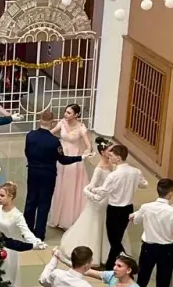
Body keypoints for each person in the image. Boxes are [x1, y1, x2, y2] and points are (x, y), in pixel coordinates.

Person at [59, 138, 127, 262]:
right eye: (110, 150)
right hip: (99, 202)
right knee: (96, 227)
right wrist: (95, 194)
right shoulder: (99, 168)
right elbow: (91, 186)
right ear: (103, 152)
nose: (112, 153)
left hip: (110, 200)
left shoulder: (112, 166)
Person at [23, 109, 86, 239]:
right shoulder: (54, 142)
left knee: (31, 200)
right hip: (48, 175)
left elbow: (27, 152)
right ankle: (39, 233)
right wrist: (80, 158)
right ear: (52, 123)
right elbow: (63, 160)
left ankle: (26, 230)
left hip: (33, 171)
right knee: (44, 203)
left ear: (40, 120)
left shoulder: (30, 135)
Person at [84, 143, 148, 269]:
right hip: (128, 209)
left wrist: (90, 190)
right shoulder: (136, 172)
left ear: (118, 158)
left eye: (112, 155)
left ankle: (125, 263)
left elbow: (103, 193)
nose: (110, 157)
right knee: (117, 238)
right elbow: (144, 184)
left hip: (114, 210)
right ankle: (111, 265)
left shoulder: (113, 175)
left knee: (114, 240)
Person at [0, 181, 46, 287]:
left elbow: (26, 232)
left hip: (9, 252)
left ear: (11, 197)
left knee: (6, 282)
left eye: (2, 195)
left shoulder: (17, 215)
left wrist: (36, 242)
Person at [47, 103, 92, 229]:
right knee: (60, 185)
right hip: (62, 156)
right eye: (65, 112)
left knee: (71, 186)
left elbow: (88, 145)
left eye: (69, 113)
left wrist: (87, 151)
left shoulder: (81, 128)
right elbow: (50, 133)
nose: (65, 114)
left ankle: (70, 217)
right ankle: (58, 217)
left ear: (76, 115)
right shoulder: (62, 123)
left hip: (74, 158)